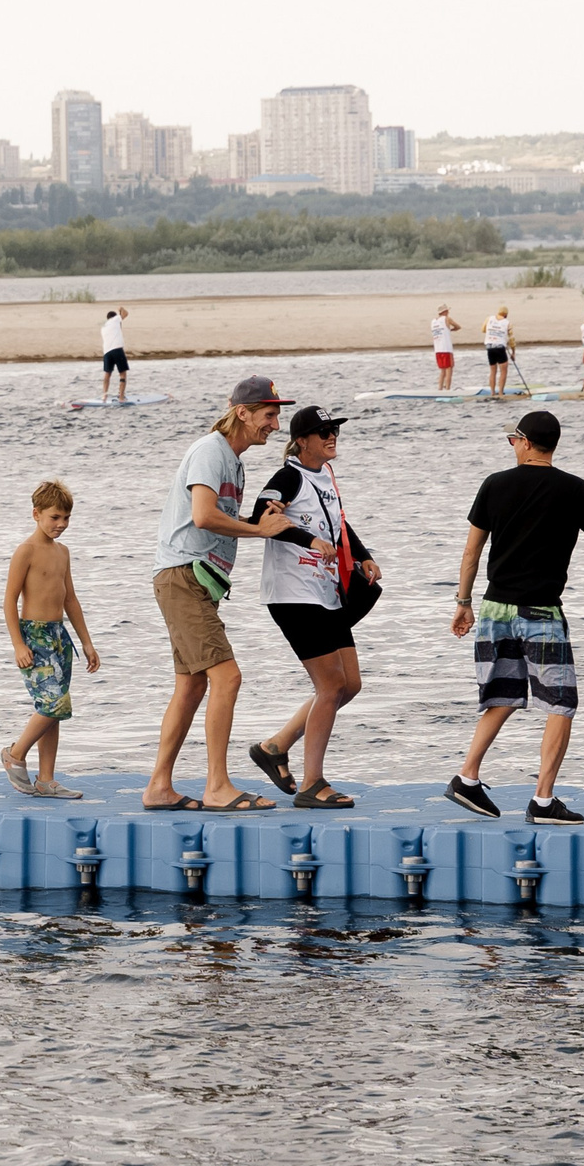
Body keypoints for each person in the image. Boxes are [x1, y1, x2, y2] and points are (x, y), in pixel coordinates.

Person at [446, 409, 584, 825]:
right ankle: (542, 800)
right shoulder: (574, 489)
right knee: (561, 703)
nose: (512, 447)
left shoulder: (494, 485)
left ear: (523, 442)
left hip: (494, 609)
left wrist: (463, 602)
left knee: (502, 695)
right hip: (541, 611)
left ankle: (467, 778)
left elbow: (471, 553)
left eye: (513, 440)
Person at [142, 377, 299, 812]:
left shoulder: (233, 460)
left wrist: (260, 516)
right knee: (227, 677)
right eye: (269, 414)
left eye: (277, 414)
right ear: (242, 413)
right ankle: (217, 787)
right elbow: (203, 516)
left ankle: (158, 787)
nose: (275, 423)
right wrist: (257, 530)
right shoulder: (211, 451)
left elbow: (222, 515)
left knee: (191, 686)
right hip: (183, 576)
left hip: (195, 580)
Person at [243, 408, 374, 808]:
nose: (332, 436)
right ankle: (312, 784)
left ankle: (275, 747)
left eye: (334, 429)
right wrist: (306, 540)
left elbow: (336, 524)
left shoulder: (325, 476)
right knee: (331, 686)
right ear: (302, 440)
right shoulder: (289, 475)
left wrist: (364, 555)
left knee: (349, 684)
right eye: (324, 432)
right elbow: (259, 515)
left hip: (324, 591)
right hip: (292, 594)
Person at [1, 480, 98, 799]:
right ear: (36, 514)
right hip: (35, 635)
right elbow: (9, 600)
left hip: (60, 638)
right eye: (55, 517)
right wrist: (18, 643)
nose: (61, 524)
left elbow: (70, 599)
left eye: (66, 518)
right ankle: (15, 753)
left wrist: (86, 641)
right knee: (54, 703)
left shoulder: (63, 552)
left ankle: (46, 780)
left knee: (53, 709)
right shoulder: (26, 550)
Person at [99, 307, 131, 402]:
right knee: (122, 374)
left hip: (107, 352)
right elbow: (126, 313)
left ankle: (104, 396)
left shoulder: (103, 327)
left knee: (107, 374)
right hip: (117, 350)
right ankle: (121, 397)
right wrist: (121, 309)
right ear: (114, 317)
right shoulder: (115, 319)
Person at [483, 306, 513, 396]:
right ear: (506, 314)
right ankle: (500, 393)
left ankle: (492, 392)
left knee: (493, 370)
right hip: (500, 347)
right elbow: (512, 339)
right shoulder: (507, 323)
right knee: (503, 370)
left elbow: (483, 329)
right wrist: (513, 353)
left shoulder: (489, 319)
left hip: (489, 347)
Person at [431, 305, 458, 392]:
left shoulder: (433, 321)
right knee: (449, 369)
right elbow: (458, 326)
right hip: (446, 348)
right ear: (445, 312)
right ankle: (447, 389)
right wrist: (452, 330)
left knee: (442, 370)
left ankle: (440, 388)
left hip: (437, 349)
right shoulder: (446, 319)